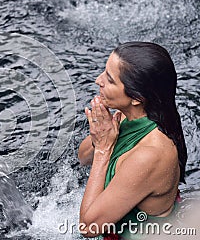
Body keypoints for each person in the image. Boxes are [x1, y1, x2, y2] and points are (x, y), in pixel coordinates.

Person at [78, 42, 187, 239]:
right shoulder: (128, 115)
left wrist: (104, 150)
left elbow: (89, 228)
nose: (98, 80)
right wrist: (99, 137)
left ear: (136, 98)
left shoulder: (151, 155)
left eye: (109, 80)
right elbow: (83, 158)